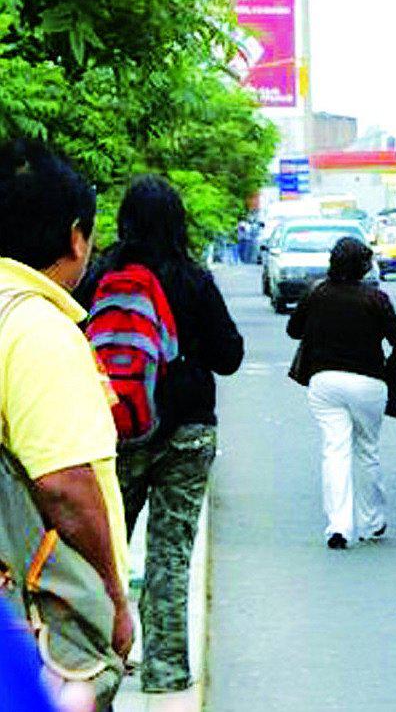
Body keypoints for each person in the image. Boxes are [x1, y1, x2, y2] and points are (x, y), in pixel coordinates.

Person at [75, 175, 244, 694]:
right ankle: (167, 673)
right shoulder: (194, 280)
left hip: (117, 431)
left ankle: (96, 663)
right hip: (188, 434)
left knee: (103, 553)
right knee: (171, 555)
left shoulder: (99, 276)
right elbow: (230, 357)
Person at [0, 139, 132, 709]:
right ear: (76, 237)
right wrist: (112, 599)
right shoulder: (38, 330)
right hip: (36, 625)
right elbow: (66, 487)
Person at [287, 237, 396, 549]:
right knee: (367, 450)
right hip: (368, 383)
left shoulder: (317, 294)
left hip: (324, 382)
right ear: (363, 266)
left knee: (334, 450)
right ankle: (372, 522)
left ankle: (338, 527)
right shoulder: (375, 299)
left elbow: (293, 330)